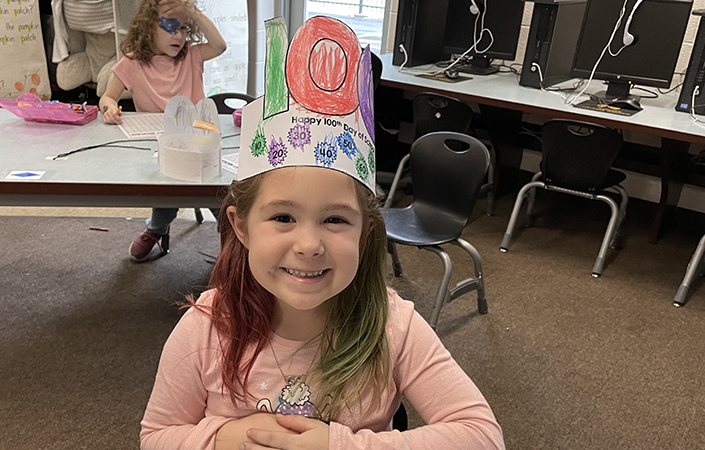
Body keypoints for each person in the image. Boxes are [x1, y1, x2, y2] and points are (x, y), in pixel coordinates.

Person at [138, 120, 506, 449]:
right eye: (283, 217)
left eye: (335, 219)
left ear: (365, 232)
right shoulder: (206, 328)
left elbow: (482, 436)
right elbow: (156, 436)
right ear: (241, 226)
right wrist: (219, 438)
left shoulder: (393, 327)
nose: (309, 245)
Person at [98, 0, 226, 262]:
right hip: (158, 149)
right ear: (148, 29)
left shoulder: (191, 56)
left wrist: (193, 13)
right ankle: (156, 228)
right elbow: (107, 97)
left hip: (199, 148)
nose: (178, 35)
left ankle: (231, 241)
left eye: (183, 28)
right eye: (170, 27)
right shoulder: (132, 64)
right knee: (167, 188)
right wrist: (109, 108)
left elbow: (220, 46)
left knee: (218, 195)